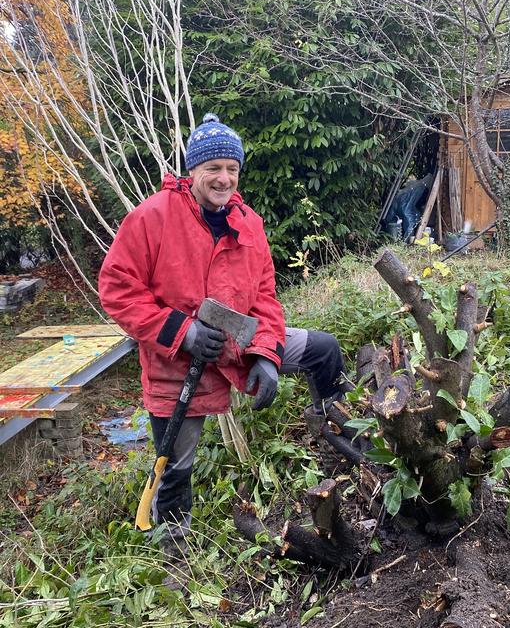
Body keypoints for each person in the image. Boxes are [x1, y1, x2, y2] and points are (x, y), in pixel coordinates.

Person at [98, 113, 349, 582]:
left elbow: (266, 297)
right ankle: (174, 558)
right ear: (192, 171)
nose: (224, 178)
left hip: (240, 344)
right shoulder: (151, 217)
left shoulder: (248, 222)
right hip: (178, 360)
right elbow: (116, 289)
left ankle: (342, 447)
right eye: (213, 167)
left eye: (232, 168)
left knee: (324, 350)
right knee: (175, 461)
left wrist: (267, 354)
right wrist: (181, 330)